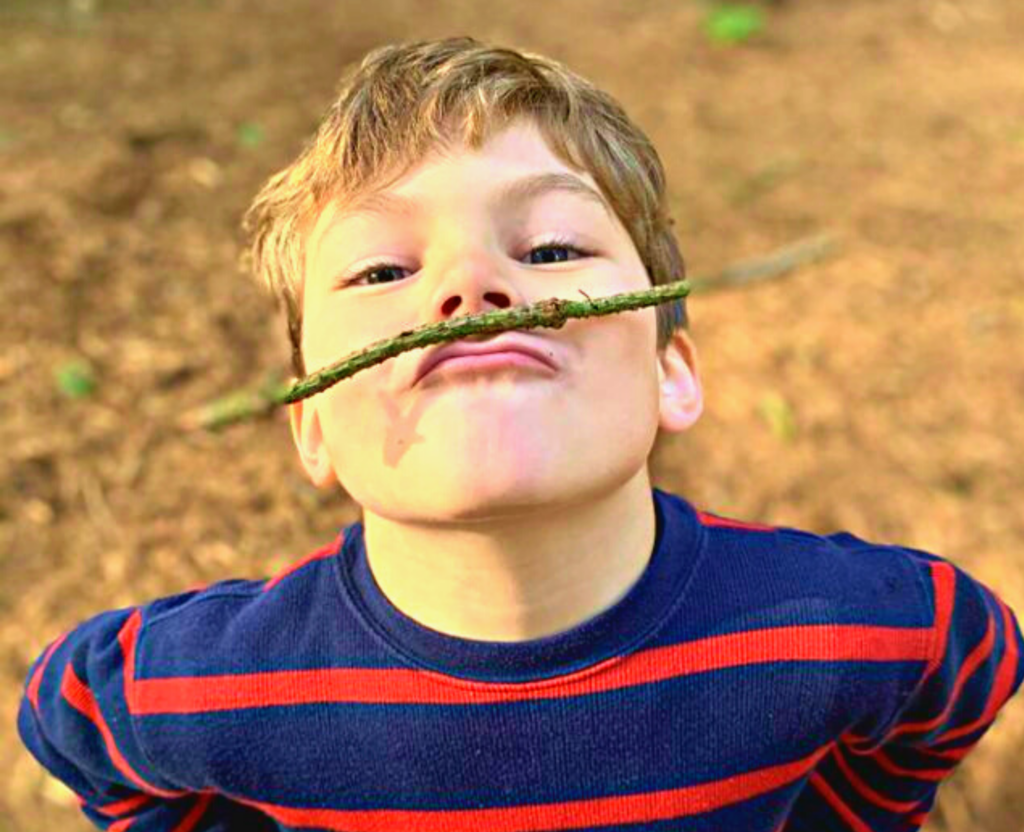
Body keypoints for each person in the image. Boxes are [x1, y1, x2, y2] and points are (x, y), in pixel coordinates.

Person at [17, 36, 1024, 832]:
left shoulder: (846, 626)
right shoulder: (213, 684)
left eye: (549, 246)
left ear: (673, 372)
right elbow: (66, 719)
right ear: (311, 424)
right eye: (381, 271)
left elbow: (969, 664)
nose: (472, 286)